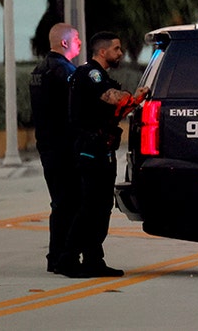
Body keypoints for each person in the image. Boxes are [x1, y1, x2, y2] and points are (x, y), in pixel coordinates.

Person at [60, 32, 148, 278]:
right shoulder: (91, 74)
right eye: (117, 49)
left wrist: (135, 100)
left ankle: (93, 259)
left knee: (101, 206)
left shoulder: (100, 75)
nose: (120, 53)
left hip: (102, 148)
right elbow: (112, 98)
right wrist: (135, 96)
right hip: (90, 149)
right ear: (102, 51)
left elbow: (116, 110)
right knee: (90, 205)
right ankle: (69, 258)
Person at [29, 23, 82, 275]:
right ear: (64, 43)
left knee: (60, 202)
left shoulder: (39, 70)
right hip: (65, 146)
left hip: (47, 145)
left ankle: (56, 256)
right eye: (76, 39)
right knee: (70, 202)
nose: (79, 43)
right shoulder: (64, 71)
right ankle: (64, 257)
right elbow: (75, 109)